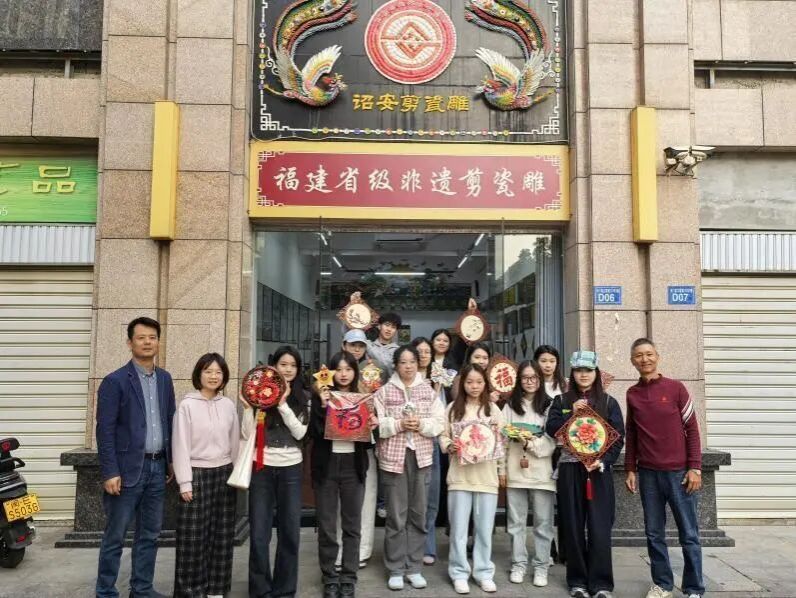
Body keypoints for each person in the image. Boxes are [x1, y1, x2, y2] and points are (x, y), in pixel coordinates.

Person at [95, 316, 176, 598]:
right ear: (130, 343)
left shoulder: (165, 379)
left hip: (157, 467)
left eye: (152, 337)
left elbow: (169, 419)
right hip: (127, 470)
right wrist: (110, 471)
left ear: (158, 342)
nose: (147, 342)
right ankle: (106, 591)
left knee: (150, 535)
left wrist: (171, 460)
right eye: (141, 338)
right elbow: (105, 430)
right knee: (115, 536)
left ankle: (141, 589)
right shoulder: (115, 381)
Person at [625, 338, 704, 598]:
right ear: (632, 361)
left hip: (680, 474)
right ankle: (662, 585)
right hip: (648, 474)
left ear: (657, 357)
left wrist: (695, 468)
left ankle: (694, 588)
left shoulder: (676, 388)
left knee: (689, 533)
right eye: (639, 355)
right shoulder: (632, 394)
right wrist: (630, 468)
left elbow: (692, 430)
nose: (644, 359)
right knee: (653, 533)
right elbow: (632, 433)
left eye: (649, 354)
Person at [546, 350, 625, 598]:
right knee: (572, 526)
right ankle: (577, 581)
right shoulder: (561, 401)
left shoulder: (609, 402)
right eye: (579, 370)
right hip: (570, 470)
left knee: (600, 527)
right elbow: (551, 429)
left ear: (596, 373)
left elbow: (618, 438)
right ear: (572, 373)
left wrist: (603, 461)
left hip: (598, 471)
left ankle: (601, 584)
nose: (584, 374)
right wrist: (572, 412)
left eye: (588, 370)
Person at [373, 345, 445, 591]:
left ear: (418, 363)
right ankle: (395, 568)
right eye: (403, 362)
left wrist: (421, 424)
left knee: (419, 514)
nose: (408, 366)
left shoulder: (428, 391)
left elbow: (439, 423)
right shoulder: (383, 392)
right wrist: (399, 424)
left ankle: (414, 567)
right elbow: (377, 426)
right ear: (395, 365)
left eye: (412, 361)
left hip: (422, 458)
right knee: (396, 515)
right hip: (394, 459)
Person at [243, 345, 310, 598]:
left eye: (293, 365)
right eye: (283, 364)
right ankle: (260, 590)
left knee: (289, 532)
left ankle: (284, 590)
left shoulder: (303, 396)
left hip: (290, 468)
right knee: (259, 533)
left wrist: (282, 404)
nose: (288, 369)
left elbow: (301, 433)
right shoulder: (258, 393)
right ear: (274, 366)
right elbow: (246, 434)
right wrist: (248, 408)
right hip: (261, 467)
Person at [172, 353, 239, 598]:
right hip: (196, 474)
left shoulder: (228, 405)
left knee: (222, 535)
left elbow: (234, 442)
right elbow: (180, 445)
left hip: (224, 473)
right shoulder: (187, 406)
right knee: (193, 539)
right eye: (208, 371)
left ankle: (217, 590)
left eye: (218, 372)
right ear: (198, 374)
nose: (213, 376)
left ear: (224, 377)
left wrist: (236, 474)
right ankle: (191, 591)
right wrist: (184, 482)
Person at [311, 352, 376, 598]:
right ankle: (329, 576)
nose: (344, 374)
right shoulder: (322, 396)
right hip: (326, 466)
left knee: (352, 525)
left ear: (355, 372)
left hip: (353, 465)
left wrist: (372, 425)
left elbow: (368, 442)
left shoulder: (363, 397)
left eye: (348, 369)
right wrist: (323, 405)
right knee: (327, 525)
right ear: (330, 373)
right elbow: (313, 433)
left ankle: (348, 577)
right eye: (338, 369)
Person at [440, 364, 505, 595]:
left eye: (478, 382)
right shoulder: (452, 409)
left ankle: (483, 572)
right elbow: (443, 436)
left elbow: (502, 442)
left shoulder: (493, 410)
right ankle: (459, 572)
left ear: (485, 383)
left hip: (486, 478)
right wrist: (449, 445)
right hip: (459, 477)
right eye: (469, 382)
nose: (474, 386)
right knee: (458, 530)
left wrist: (501, 470)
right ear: (462, 384)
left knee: (484, 530)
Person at [502, 360, 556, 588]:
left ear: (540, 379)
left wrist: (531, 443)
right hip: (515, 471)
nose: (530, 381)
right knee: (516, 522)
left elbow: (553, 441)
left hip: (542, 474)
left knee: (543, 523)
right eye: (525, 377)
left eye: (534, 377)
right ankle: (519, 564)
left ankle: (541, 566)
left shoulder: (550, 405)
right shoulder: (510, 406)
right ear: (519, 380)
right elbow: (502, 439)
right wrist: (501, 470)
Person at [339, 328, 380, 568]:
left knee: (367, 499)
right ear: (344, 345)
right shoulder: (333, 371)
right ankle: (339, 550)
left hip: (364, 447)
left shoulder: (372, 372)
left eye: (361, 345)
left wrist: (373, 400)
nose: (356, 349)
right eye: (352, 344)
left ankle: (362, 551)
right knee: (339, 503)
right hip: (338, 447)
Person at [366, 312, 402, 377]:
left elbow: (387, 367)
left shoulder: (398, 351)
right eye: (387, 325)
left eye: (393, 327)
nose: (389, 329)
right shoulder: (368, 344)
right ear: (379, 326)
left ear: (396, 331)